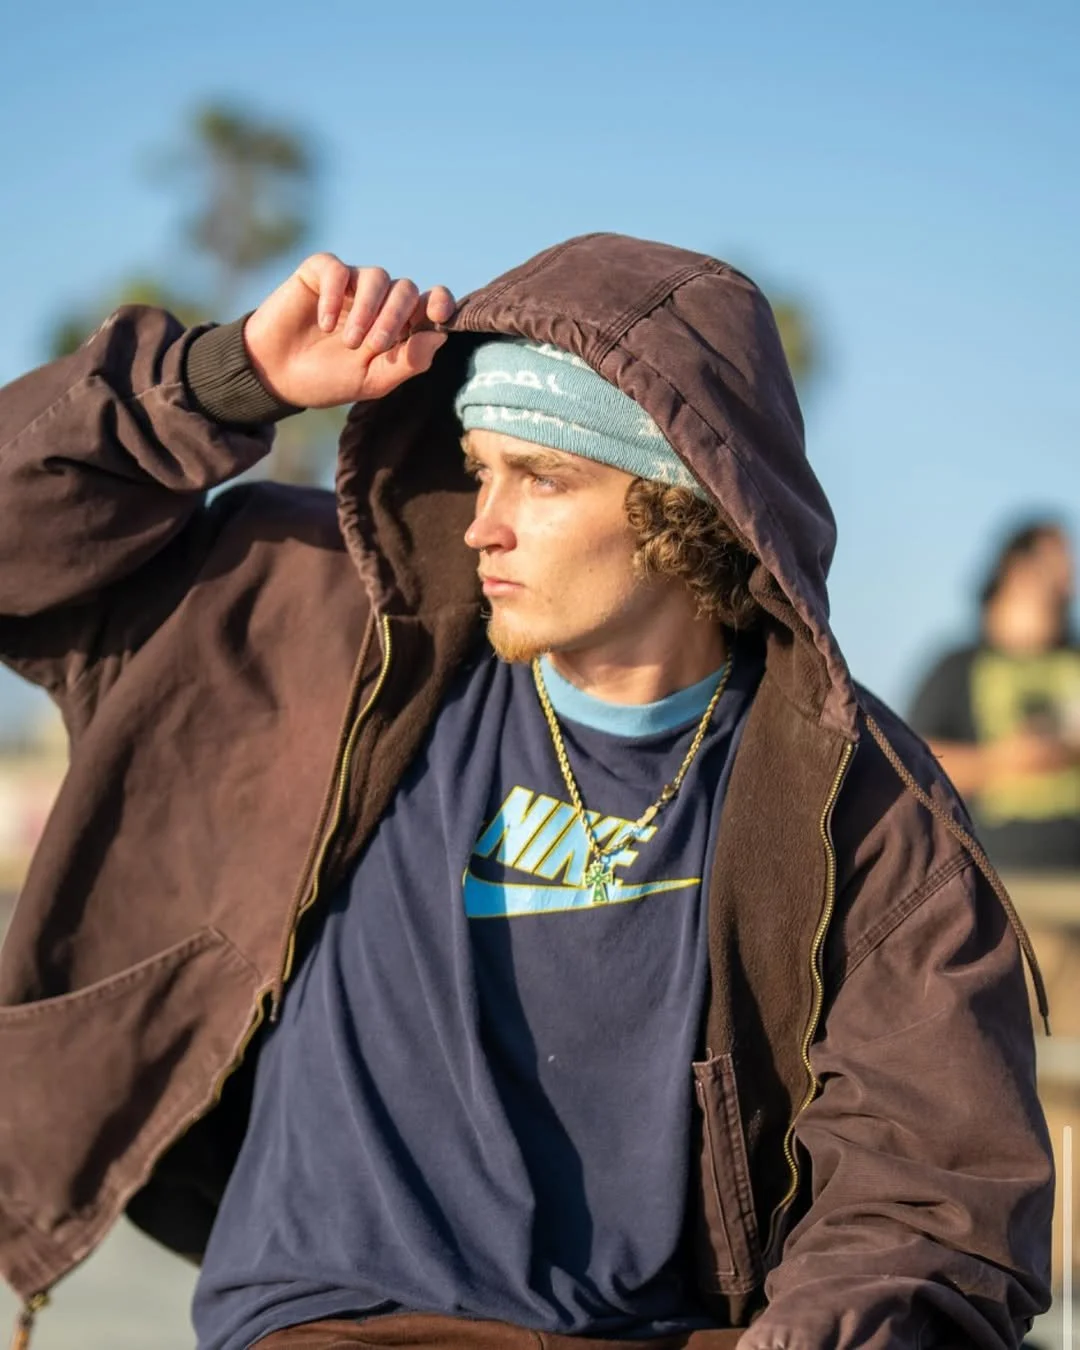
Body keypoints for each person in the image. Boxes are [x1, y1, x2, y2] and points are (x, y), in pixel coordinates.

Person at [0, 237, 1053, 1350]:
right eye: (479, 464)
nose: (481, 521)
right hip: (333, 1321)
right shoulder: (323, 623)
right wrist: (230, 379)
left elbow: (933, 1193)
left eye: (542, 479)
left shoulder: (856, 793)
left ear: (684, 509)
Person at [910, 518, 1080, 873]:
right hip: (1000, 880)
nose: (1069, 579)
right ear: (1017, 570)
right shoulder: (957, 666)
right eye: (1058, 563)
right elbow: (910, 763)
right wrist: (1006, 760)